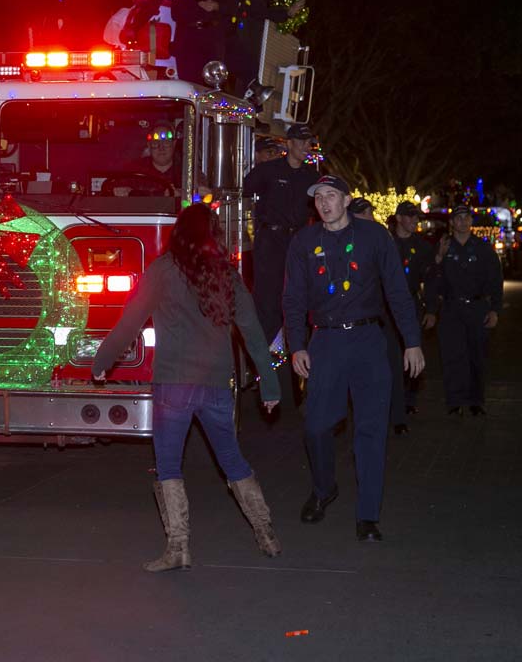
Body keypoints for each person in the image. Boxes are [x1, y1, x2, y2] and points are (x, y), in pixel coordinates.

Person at [92, 204, 283, 572]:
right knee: (232, 459)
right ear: (215, 235)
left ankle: (178, 548)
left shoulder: (163, 271)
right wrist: (269, 384)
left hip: (174, 385)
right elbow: (254, 334)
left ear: (179, 234)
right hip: (215, 384)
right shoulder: (227, 275)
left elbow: (130, 321)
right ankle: (267, 535)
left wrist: (103, 361)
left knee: (168, 465)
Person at [282, 175, 424, 542]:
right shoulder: (304, 241)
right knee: (315, 425)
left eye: (331, 196)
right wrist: (297, 344)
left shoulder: (375, 237)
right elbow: (294, 298)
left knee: (370, 429)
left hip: (368, 340)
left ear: (346, 200)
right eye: (319, 198)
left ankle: (368, 515)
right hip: (325, 341)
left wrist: (412, 341)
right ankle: (324, 487)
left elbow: (397, 290)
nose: (324, 203)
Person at [243, 124, 320, 360]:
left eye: (309, 142)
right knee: (268, 296)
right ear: (290, 143)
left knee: (298, 292)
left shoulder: (312, 176)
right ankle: (265, 355)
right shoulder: (269, 170)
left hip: (298, 240)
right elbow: (244, 189)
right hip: (270, 241)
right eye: (302, 141)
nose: (307, 147)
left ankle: (298, 349)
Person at [434, 204, 502, 416]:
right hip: (451, 308)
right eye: (458, 218)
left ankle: (476, 400)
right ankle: (454, 401)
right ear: (452, 223)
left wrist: (495, 310)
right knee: (452, 356)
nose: (463, 222)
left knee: (477, 356)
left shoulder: (483, 249)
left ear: (471, 222)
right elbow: (434, 280)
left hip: (477, 307)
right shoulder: (444, 247)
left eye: (466, 218)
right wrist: (438, 258)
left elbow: (495, 281)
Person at [387, 202, 438, 434]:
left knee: (413, 357)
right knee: (393, 361)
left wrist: (431, 310)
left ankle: (408, 399)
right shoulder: (387, 243)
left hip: (411, 307)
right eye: (410, 217)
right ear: (399, 218)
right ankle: (397, 413)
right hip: (387, 311)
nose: (415, 221)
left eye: (417, 217)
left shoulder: (422, 246)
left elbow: (430, 279)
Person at [226, 0, 306, 96]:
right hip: (213, 41)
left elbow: (264, 13)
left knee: (248, 66)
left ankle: (254, 96)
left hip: (235, 45)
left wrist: (287, 13)